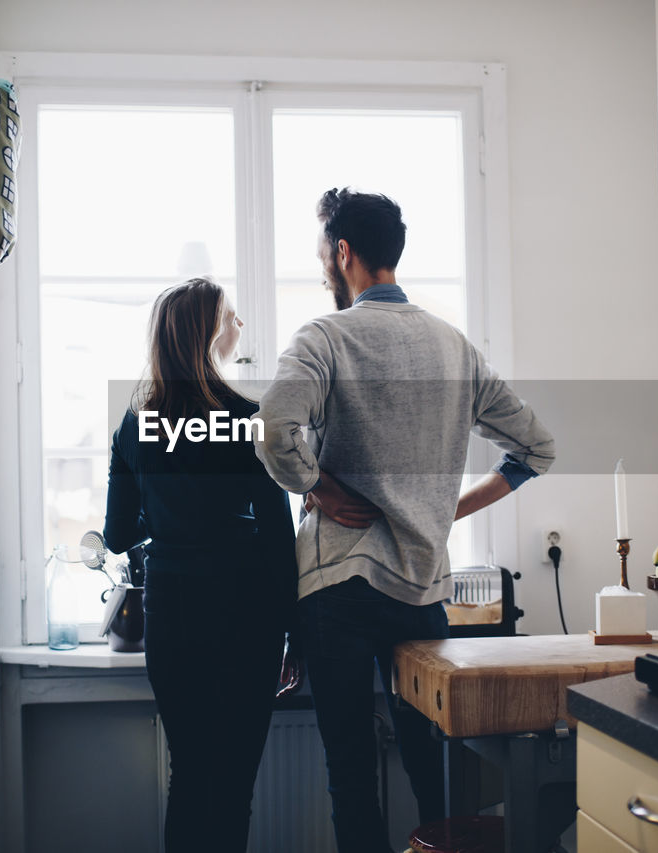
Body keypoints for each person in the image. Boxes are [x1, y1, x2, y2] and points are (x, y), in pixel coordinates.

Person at [254, 188, 556, 852]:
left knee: (351, 772)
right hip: (421, 590)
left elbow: (274, 427)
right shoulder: (456, 349)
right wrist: (445, 509)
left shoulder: (324, 336)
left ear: (344, 254)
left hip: (336, 588)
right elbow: (538, 448)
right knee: (434, 769)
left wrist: (317, 489)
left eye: (322, 256)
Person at [104, 278, 298, 853]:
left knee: (188, 777)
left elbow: (117, 535)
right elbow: (276, 537)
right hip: (247, 614)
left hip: (174, 611)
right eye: (232, 318)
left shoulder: (135, 426)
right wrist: (296, 633)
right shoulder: (248, 420)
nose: (240, 327)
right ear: (210, 335)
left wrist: (165, 513)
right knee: (233, 785)